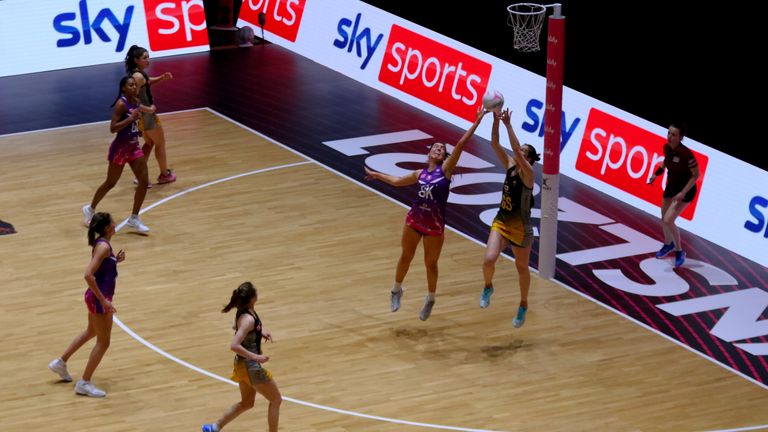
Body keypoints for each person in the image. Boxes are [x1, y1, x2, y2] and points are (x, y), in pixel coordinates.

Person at [365, 107, 488, 321]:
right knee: (406, 256)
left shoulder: (446, 171)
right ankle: (396, 290)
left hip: (434, 226)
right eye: (436, 148)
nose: (439, 149)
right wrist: (377, 175)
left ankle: (430, 299)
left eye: (442, 149)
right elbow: (397, 181)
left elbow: (460, 145)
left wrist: (476, 123)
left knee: (430, 264)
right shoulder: (419, 173)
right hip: (414, 219)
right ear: (428, 153)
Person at [48, 212, 125, 397]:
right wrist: (103, 301)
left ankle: (61, 362)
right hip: (99, 298)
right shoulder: (103, 247)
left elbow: (102, 269)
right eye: (113, 221)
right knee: (103, 342)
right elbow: (88, 274)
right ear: (108, 227)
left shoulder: (103, 245)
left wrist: (116, 261)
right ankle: (84, 382)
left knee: (91, 331)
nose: (116, 223)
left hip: (94, 297)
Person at [478, 108, 540, 328]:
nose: (518, 152)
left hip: (522, 229)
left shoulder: (529, 174)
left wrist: (509, 125)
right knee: (488, 260)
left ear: (530, 160)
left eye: (523, 151)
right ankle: (488, 286)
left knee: (522, 269)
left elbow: (514, 147)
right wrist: (495, 120)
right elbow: (495, 143)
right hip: (502, 222)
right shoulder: (511, 166)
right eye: (519, 150)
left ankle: (523, 304)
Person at [202, 282, 282, 432]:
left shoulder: (244, 312)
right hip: (250, 366)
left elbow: (237, 327)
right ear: (253, 298)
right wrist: (256, 357)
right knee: (276, 400)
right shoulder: (248, 319)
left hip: (241, 366)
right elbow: (234, 345)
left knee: (247, 403)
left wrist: (260, 332)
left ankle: (214, 427)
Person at [82, 76, 152, 233]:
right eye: (131, 85)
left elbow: (134, 120)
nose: (134, 87)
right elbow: (113, 128)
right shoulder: (121, 105)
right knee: (111, 183)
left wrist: (137, 128)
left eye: (135, 85)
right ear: (123, 89)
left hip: (134, 147)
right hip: (120, 149)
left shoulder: (136, 101)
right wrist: (131, 119)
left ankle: (134, 218)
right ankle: (90, 209)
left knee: (144, 182)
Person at [647, 122, 700, 268]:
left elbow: (696, 175)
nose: (669, 136)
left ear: (680, 137)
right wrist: (656, 175)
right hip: (671, 187)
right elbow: (666, 162)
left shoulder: (686, 154)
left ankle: (679, 251)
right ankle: (668, 244)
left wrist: (683, 192)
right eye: (669, 133)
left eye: (673, 134)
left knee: (669, 220)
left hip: (685, 191)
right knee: (664, 219)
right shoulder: (667, 147)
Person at [125, 45, 177, 186]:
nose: (148, 60)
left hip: (143, 116)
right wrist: (147, 110)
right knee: (160, 143)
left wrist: (161, 78)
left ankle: (139, 175)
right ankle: (164, 175)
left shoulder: (138, 74)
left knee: (149, 143)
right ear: (136, 60)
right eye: (144, 58)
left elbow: (147, 82)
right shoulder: (137, 76)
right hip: (146, 116)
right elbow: (130, 99)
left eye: (148, 57)